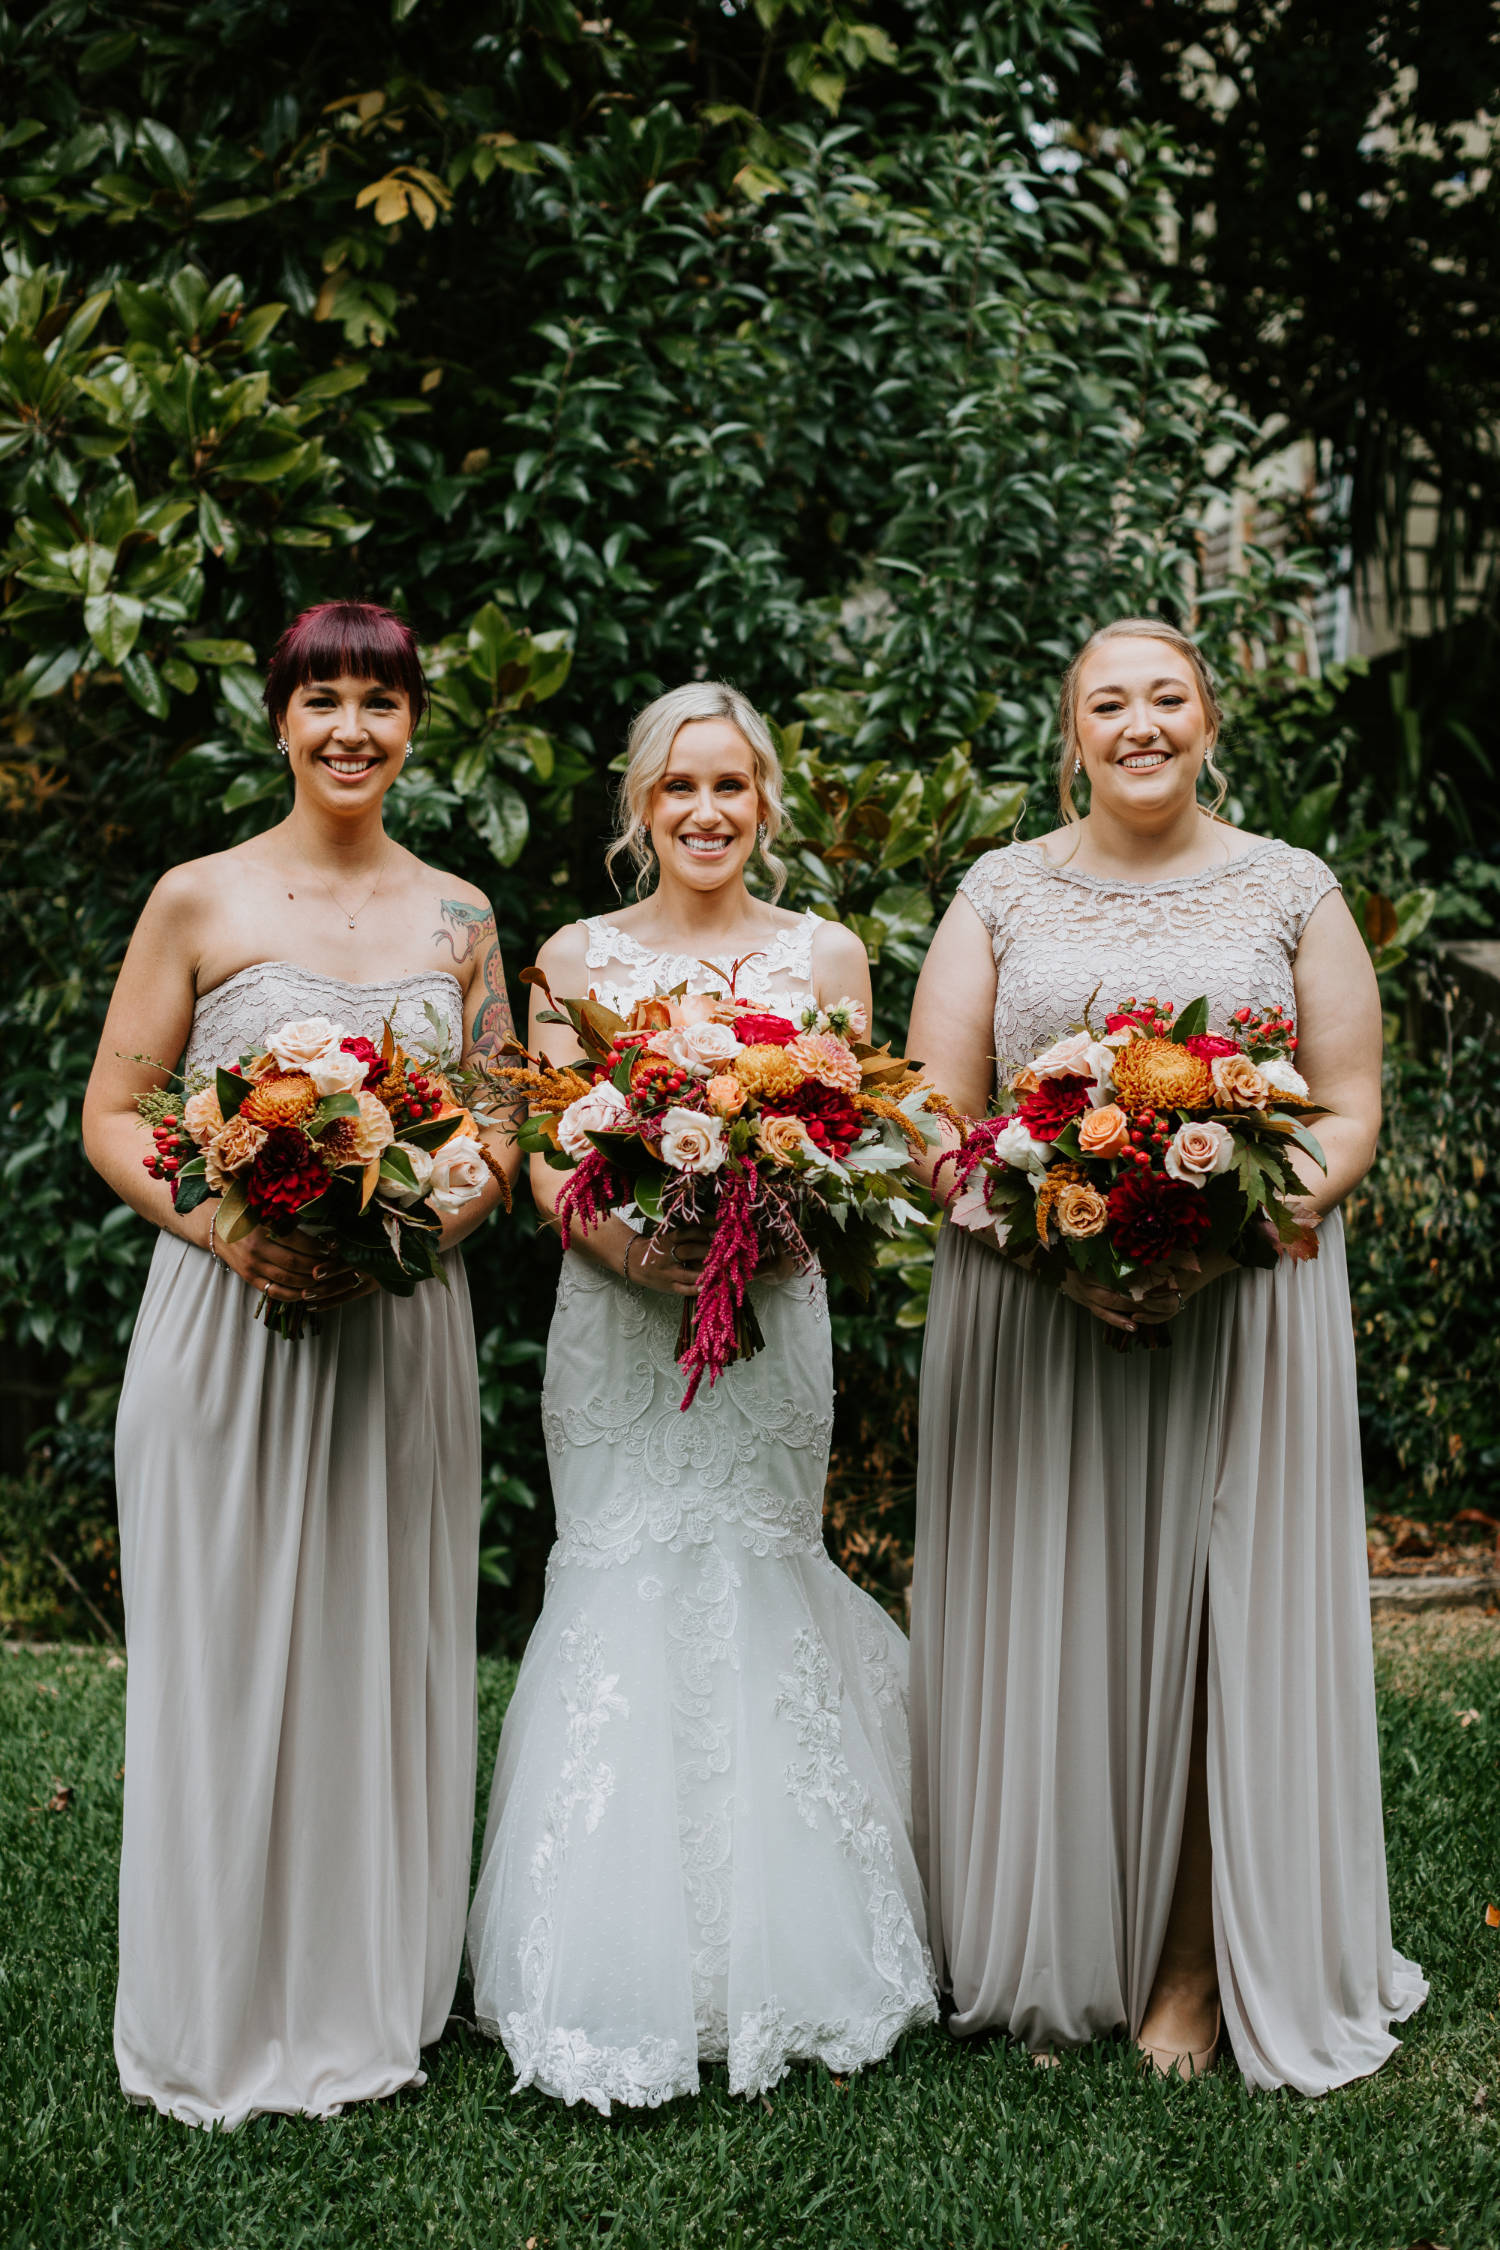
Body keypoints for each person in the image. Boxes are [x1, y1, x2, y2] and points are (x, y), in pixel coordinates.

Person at [906, 616, 1426, 2091]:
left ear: (1210, 720)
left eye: (1167, 697)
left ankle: (1197, 1965)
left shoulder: (1291, 886)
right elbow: (940, 1117)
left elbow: (1345, 1108)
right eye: (1107, 702)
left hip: (1245, 1299)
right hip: (1035, 1308)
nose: (1140, 723)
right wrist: (1062, 1243)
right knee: (1053, 1603)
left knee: (1220, 1616)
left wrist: (1221, 1235)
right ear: (1070, 733)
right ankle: (1050, 1932)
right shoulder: (1000, 890)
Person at [465, 681, 937, 2114]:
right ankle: (600, 1965)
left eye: (732, 786)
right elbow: (546, 1151)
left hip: (771, 1322)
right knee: (621, 1573)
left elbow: (862, 1148)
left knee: (757, 1567)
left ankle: (785, 1960)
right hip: (615, 1325)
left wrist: (769, 1225)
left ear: (768, 802)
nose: (707, 811)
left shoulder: (827, 958)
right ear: (640, 808)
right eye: (679, 788)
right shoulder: (572, 957)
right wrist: (631, 1247)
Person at [82, 600, 520, 2127]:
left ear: (414, 726)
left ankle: (364, 1987)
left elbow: (503, 1127)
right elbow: (118, 1111)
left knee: (376, 1642)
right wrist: (228, 1228)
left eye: (379, 701)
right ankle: (214, 1996)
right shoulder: (199, 897)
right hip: (224, 1320)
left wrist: (412, 1225)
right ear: (278, 718)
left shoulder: (461, 915)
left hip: (397, 1326)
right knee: (224, 1647)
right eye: (321, 697)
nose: (351, 727)